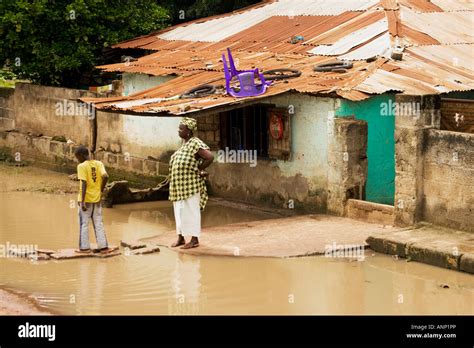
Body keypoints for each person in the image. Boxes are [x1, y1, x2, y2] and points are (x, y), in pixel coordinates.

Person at [169, 117, 214, 249]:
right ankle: (181, 237)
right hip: (179, 187)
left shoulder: (195, 143)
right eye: (179, 127)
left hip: (191, 186)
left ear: (189, 131)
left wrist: (198, 169)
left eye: (181, 128)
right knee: (179, 211)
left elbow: (210, 157)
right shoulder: (183, 144)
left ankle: (194, 240)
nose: (179, 130)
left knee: (191, 212)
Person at [74, 146, 112, 254]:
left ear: (81, 156)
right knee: (98, 223)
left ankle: (84, 248)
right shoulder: (99, 163)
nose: (77, 160)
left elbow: (84, 183)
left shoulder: (81, 166)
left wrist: (82, 201)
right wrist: (100, 191)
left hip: (86, 199)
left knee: (84, 224)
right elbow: (105, 177)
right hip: (97, 199)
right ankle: (103, 247)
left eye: (77, 157)